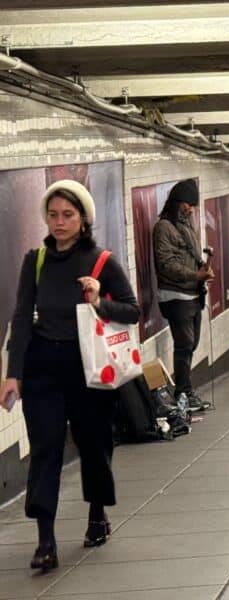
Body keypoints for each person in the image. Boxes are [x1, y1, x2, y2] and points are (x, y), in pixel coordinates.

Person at [0, 180, 140, 571]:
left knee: (94, 444)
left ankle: (97, 513)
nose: (59, 222)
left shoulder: (102, 262)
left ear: (83, 220)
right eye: (53, 214)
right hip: (43, 367)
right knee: (45, 449)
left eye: (68, 215)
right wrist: (13, 374)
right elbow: (21, 318)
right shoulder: (36, 260)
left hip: (89, 369)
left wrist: (100, 300)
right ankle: (46, 540)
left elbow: (132, 311)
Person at [153, 179, 212, 412]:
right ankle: (183, 393)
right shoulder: (163, 228)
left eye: (193, 206)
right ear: (177, 202)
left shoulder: (186, 226)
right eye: (188, 204)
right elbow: (166, 264)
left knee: (192, 343)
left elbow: (192, 255)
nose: (191, 209)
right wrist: (195, 275)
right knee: (184, 344)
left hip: (192, 294)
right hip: (175, 295)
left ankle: (186, 391)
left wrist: (203, 271)